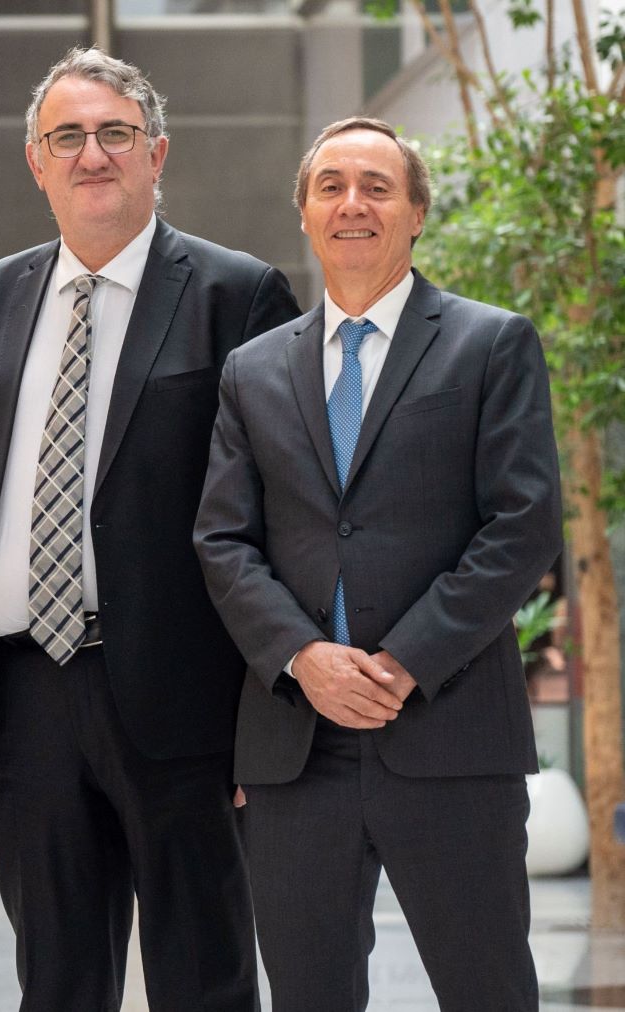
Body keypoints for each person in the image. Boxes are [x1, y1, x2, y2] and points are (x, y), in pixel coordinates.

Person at [0, 48, 298, 1010]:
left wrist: (263, 711)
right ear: (36, 161)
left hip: (186, 703)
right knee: (55, 982)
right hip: (26, 695)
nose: (91, 154)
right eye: (67, 137)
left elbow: (280, 514)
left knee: (204, 978)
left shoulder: (238, 294)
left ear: (157, 153)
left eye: (115, 133)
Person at [195, 115, 560, 1011]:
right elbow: (223, 539)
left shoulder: (489, 343)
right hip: (297, 745)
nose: (351, 203)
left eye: (377, 187)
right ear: (306, 213)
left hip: (449, 732)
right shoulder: (251, 370)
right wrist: (302, 656)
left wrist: (403, 661)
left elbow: (522, 525)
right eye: (331, 187)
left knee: (487, 991)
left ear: (417, 213)